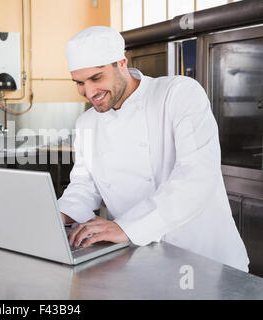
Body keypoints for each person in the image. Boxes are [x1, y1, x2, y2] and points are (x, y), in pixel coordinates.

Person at [58, 26, 250, 272]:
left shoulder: (178, 94)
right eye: (79, 82)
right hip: (143, 258)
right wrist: (57, 216)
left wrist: (127, 227)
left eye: (96, 78)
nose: (89, 92)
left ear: (122, 63)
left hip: (207, 258)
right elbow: (84, 186)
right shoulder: (87, 122)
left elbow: (197, 176)